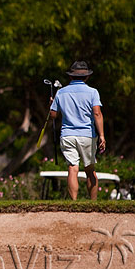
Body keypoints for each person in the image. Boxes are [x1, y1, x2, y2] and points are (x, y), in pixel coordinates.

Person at [50, 61, 105, 200]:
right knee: (90, 170)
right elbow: (97, 113)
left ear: (70, 77)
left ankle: (74, 203)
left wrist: (51, 104)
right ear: (86, 77)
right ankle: (93, 203)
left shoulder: (61, 92)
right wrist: (102, 136)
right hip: (87, 135)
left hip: (67, 135)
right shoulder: (93, 92)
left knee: (72, 169)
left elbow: (53, 115)